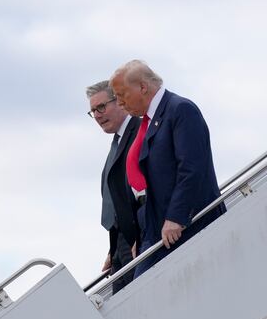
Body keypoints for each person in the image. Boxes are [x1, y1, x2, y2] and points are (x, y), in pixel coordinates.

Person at [110, 60, 225, 278]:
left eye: (121, 94)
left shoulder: (180, 109)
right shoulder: (152, 119)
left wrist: (176, 217)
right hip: (158, 230)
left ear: (143, 87)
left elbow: (191, 168)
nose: (119, 103)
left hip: (184, 225)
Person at [86, 80, 142, 293]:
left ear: (120, 101)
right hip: (122, 244)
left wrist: (141, 235)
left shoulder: (139, 132)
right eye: (93, 111)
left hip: (138, 239)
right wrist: (113, 248)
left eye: (101, 107)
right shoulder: (117, 142)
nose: (98, 115)